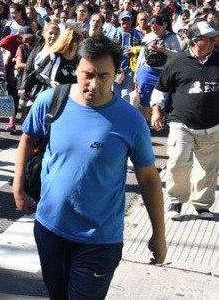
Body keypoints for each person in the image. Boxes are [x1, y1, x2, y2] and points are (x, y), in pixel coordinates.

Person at [13, 36, 165, 300]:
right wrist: (17, 188)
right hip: (50, 229)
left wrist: (158, 234)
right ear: (77, 69)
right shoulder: (51, 101)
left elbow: (149, 179)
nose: (94, 84)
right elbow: (27, 139)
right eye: (87, 74)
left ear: (117, 74)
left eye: (104, 76)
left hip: (99, 240)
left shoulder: (131, 121)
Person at [150, 20, 219, 219]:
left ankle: (202, 204)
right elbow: (160, 90)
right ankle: (176, 200)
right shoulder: (176, 62)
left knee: (208, 167)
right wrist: (156, 111)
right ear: (196, 41)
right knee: (178, 160)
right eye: (208, 38)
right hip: (181, 122)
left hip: (213, 125)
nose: (213, 41)